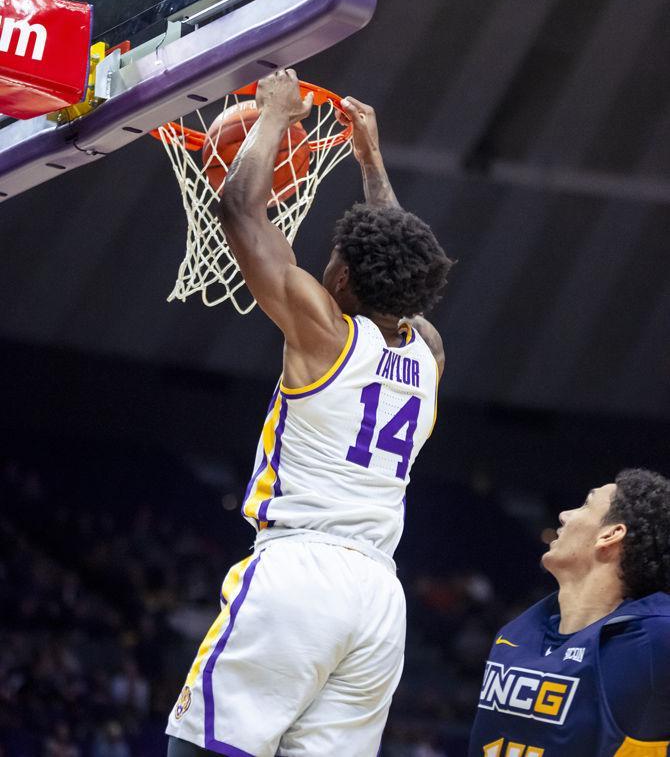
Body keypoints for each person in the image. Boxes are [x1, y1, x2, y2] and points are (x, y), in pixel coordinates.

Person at [166, 69, 454, 757]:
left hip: (300, 572)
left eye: (332, 258)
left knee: (201, 746)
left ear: (345, 277)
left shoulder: (325, 331)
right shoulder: (429, 355)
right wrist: (372, 164)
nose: (323, 266)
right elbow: (401, 275)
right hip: (380, 603)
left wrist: (272, 115)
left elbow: (241, 212)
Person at [469, 469, 670, 757]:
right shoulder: (516, 632)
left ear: (611, 534)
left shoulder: (652, 636)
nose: (564, 514)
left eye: (586, 504)